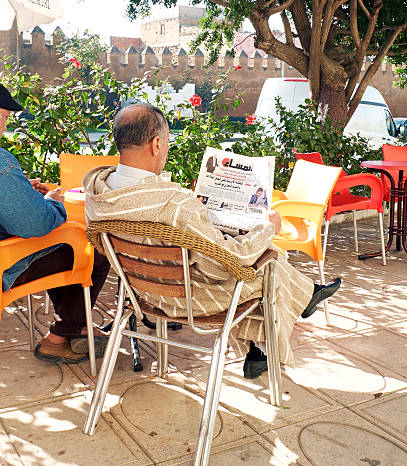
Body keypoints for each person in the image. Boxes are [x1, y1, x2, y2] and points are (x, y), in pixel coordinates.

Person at [83, 104, 341, 378]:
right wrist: (268, 228)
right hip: (190, 300)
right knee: (269, 262)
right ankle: (285, 321)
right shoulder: (175, 205)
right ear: (156, 144)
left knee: (259, 258)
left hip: (142, 294)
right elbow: (227, 265)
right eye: (167, 143)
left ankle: (273, 334)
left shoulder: (96, 194)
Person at [0, 84, 110, 364]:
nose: (6, 121)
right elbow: (35, 223)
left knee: (62, 249)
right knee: (94, 251)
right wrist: (51, 201)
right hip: (6, 266)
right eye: (4, 114)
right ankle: (60, 337)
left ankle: (75, 330)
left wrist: (23, 189)